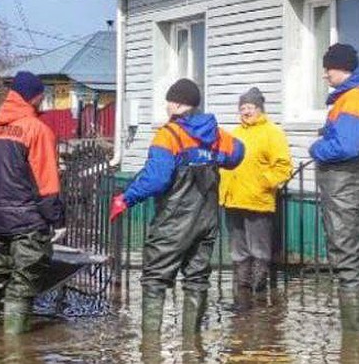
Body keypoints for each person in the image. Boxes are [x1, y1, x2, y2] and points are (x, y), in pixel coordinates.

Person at [109, 79, 244, 335]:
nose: (167, 106)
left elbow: (157, 179)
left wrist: (126, 198)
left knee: (155, 279)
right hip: (207, 220)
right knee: (197, 279)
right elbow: (238, 154)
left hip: (175, 220)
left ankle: (150, 348)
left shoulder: (168, 135)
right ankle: (192, 347)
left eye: (169, 101)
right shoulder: (216, 135)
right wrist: (212, 155)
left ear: (178, 104)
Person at [0, 71, 65, 335]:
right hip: (29, 223)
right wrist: (57, 220)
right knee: (22, 286)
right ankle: (16, 352)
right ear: (35, 97)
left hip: (0, 221)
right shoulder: (37, 130)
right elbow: (46, 182)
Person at [310, 43, 359, 333]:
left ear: (342, 68)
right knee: (351, 254)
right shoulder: (354, 97)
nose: (325, 75)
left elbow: (347, 145)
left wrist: (317, 148)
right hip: (347, 187)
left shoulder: (354, 99)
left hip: (346, 187)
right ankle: (358, 339)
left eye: (328, 68)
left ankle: (354, 344)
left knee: (347, 255)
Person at [220, 87, 292, 294]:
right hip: (233, 199)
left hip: (257, 200)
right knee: (238, 249)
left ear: (260, 109)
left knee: (259, 248)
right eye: (242, 108)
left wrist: (263, 183)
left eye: (250, 107)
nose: (245, 112)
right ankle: (242, 288)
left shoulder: (273, 133)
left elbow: (283, 166)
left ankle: (258, 289)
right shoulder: (235, 134)